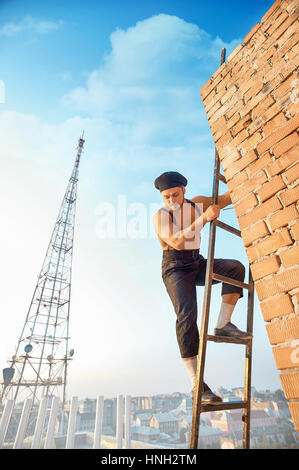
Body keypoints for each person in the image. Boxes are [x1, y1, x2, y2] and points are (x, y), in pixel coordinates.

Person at [152, 171, 251, 403]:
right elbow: (176, 241)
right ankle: (198, 384)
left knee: (235, 269)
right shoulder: (161, 216)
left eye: (175, 195)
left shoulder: (198, 203)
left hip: (196, 263)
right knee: (187, 315)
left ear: (184, 190)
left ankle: (223, 324)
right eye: (166, 197)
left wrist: (243, 180)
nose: (171, 201)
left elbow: (225, 199)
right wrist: (204, 218)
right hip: (174, 267)